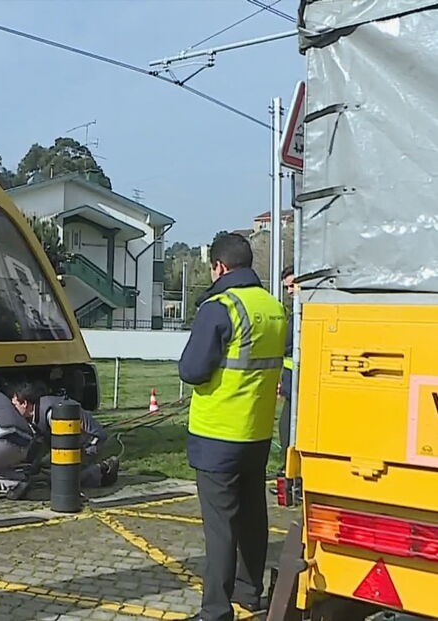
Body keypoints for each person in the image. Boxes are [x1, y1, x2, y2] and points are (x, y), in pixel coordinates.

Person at [178, 233, 286, 621]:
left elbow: (192, 370)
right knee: (253, 515)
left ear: (219, 267)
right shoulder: (274, 308)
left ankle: (215, 611)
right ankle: (249, 592)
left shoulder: (219, 307)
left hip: (217, 434)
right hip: (257, 432)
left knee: (220, 526)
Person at [9, 381, 119, 488]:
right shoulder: (36, 414)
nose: (12, 409)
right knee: (46, 469)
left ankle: (103, 471)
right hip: (74, 444)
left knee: (62, 480)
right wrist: (33, 465)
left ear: (24, 404)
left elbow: (68, 442)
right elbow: (39, 442)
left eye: (15, 405)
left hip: (91, 442)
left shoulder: (51, 414)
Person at [279, 266, 295, 451]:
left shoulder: (306, 314)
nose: (290, 291)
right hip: (291, 387)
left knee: (287, 431)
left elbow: (286, 345)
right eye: (287, 287)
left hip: (300, 389)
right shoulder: (294, 315)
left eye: (293, 285)